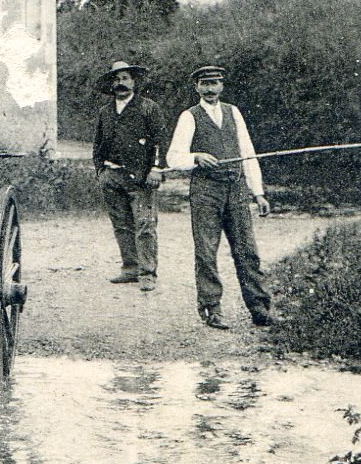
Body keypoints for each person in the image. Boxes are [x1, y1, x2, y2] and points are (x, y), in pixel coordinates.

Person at [165, 65, 274, 329]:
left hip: (235, 189)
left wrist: (257, 193)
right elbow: (173, 157)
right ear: (197, 88)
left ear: (222, 86)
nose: (210, 89)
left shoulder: (233, 112)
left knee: (247, 250)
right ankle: (211, 309)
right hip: (206, 191)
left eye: (214, 83)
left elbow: (248, 153)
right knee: (206, 251)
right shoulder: (189, 117)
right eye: (204, 84)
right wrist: (195, 157)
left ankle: (260, 308)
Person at [91, 61, 170, 292]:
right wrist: (100, 171)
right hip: (111, 176)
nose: (120, 83)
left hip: (142, 177)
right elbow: (97, 144)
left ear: (134, 82)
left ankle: (147, 273)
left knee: (145, 224)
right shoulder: (105, 112)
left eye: (125, 78)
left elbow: (160, 140)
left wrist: (156, 168)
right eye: (116, 79)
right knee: (121, 224)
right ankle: (130, 268)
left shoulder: (148, 108)